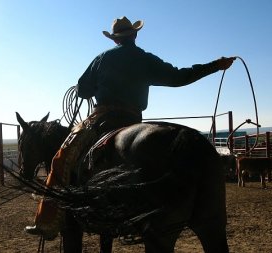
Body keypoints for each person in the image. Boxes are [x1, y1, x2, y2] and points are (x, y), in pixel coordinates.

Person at [25, 16, 235, 240]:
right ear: (134, 35)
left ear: (115, 39)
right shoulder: (145, 59)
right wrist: (215, 66)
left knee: (62, 157)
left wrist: (92, 87)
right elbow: (178, 77)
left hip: (103, 118)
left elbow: (82, 90)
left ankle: (46, 221)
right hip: (134, 119)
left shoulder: (102, 58)